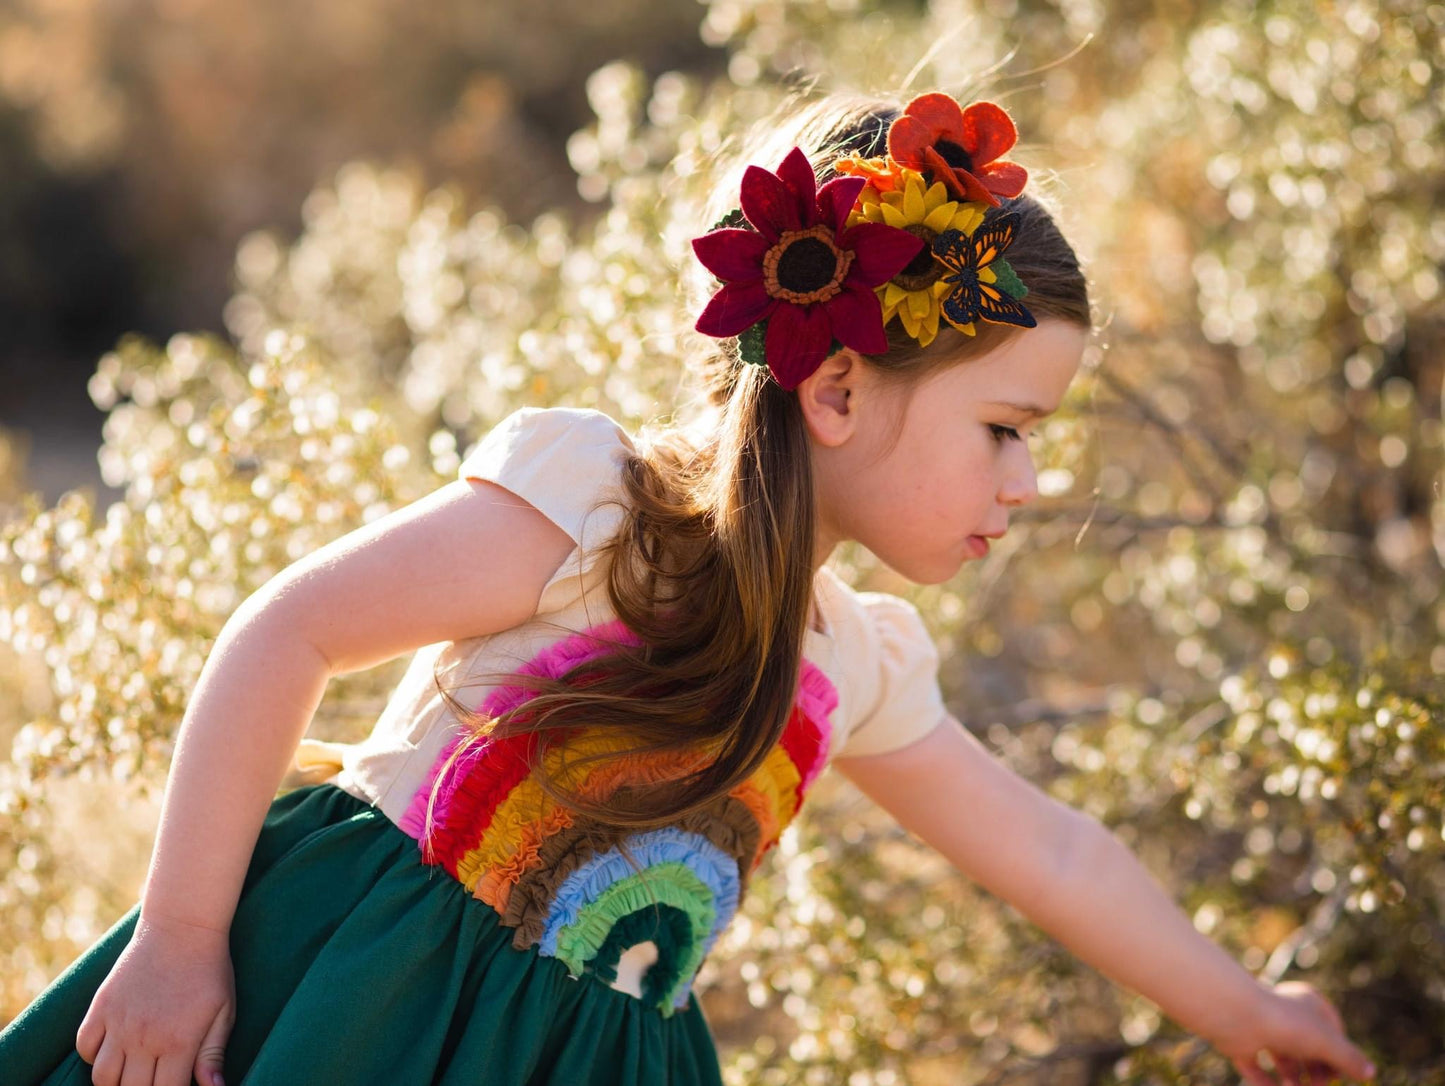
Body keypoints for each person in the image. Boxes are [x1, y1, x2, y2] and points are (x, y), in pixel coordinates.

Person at [0, 88, 1376, 1086]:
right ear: (836, 386)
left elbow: (1054, 853)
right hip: (356, 995)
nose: (1023, 483)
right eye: (1003, 429)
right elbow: (285, 630)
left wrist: (1242, 1004)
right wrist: (182, 940)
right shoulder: (591, 507)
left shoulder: (854, 664)